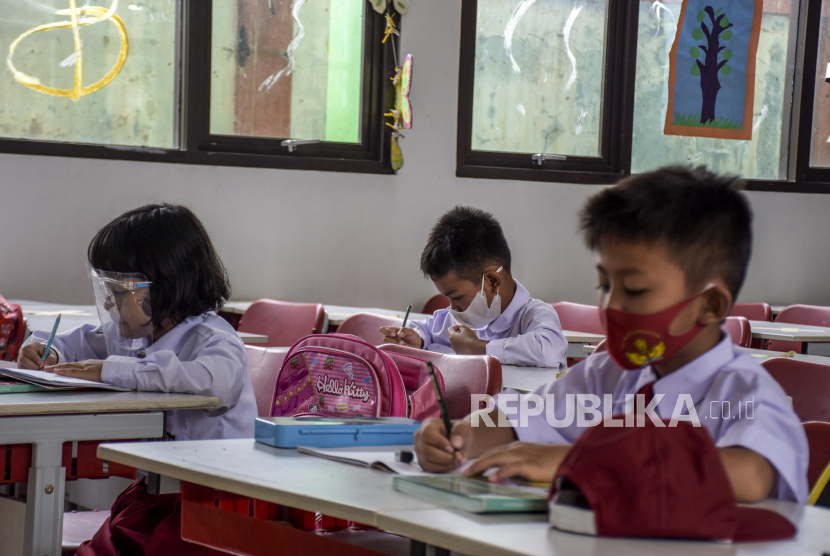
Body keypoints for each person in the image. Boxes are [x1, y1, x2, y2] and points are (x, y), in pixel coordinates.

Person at [414, 167, 808, 504]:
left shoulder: (746, 391)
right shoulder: (608, 375)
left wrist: (582, 460)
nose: (612, 306)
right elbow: (518, 419)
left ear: (710, 306)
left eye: (635, 290)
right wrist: (458, 437)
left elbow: (752, 474)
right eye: (606, 285)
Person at [20, 203, 256, 555]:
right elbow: (71, 341)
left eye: (119, 294)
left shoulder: (211, 340)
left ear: (162, 287)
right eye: (108, 295)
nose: (111, 307)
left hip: (210, 503)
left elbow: (219, 384)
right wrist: (44, 348)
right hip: (155, 493)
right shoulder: (134, 334)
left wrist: (113, 369)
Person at [380, 206, 567, 368]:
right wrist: (417, 339)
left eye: (457, 297)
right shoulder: (462, 318)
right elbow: (427, 328)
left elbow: (549, 350)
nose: (453, 307)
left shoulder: (535, 315)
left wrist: (477, 347)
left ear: (492, 281)